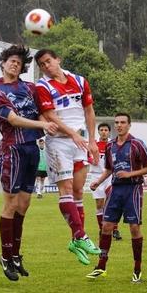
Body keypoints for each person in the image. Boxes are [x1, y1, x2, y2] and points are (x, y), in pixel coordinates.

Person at [0, 45, 58, 281]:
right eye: (11, 60)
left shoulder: (29, 88)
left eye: (18, 62)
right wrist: (42, 126)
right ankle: (5, 257)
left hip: (31, 150)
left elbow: (39, 112)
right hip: (12, 151)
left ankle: (16, 255)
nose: (14, 64)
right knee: (10, 204)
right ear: (3, 63)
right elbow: (14, 119)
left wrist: (45, 124)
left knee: (24, 204)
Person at [34, 49, 101, 266]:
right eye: (41, 65)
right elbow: (51, 115)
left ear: (58, 59)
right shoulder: (42, 86)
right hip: (59, 143)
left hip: (79, 142)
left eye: (48, 61)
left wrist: (92, 141)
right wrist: (72, 134)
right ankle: (81, 235)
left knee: (79, 190)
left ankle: (75, 241)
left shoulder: (80, 81)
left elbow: (89, 111)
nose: (46, 66)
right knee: (66, 189)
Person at [86, 113, 147, 283]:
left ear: (129, 125)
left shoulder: (137, 144)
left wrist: (130, 174)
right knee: (106, 226)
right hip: (116, 190)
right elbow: (109, 169)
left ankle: (137, 270)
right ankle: (101, 267)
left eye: (123, 122)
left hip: (133, 189)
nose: (119, 125)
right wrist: (98, 181)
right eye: (116, 122)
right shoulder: (110, 146)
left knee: (134, 228)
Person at [89, 122, 122, 240]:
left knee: (112, 202)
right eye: (101, 130)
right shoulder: (94, 145)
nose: (103, 132)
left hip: (109, 176)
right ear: (98, 131)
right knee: (99, 204)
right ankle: (101, 229)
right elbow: (87, 157)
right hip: (96, 176)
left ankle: (115, 229)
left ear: (109, 132)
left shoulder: (113, 145)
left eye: (106, 130)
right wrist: (91, 160)